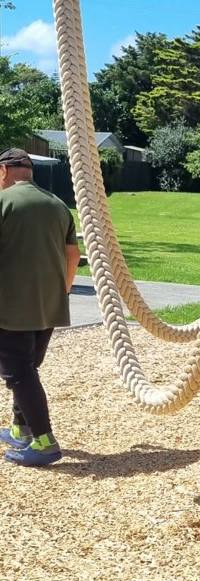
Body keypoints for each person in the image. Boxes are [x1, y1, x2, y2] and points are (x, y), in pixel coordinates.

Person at [0, 147, 81, 467]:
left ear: (4, 172)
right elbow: (72, 256)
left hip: (11, 308)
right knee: (28, 369)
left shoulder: (3, 203)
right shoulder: (58, 205)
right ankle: (20, 429)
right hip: (50, 306)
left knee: (19, 374)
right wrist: (61, 291)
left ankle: (44, 441)